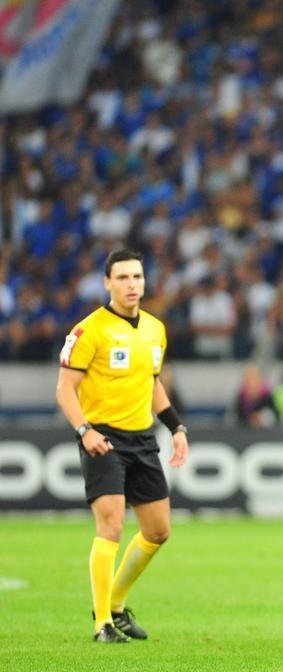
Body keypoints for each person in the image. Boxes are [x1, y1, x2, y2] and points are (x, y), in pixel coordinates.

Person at [54, 248, 190, 643]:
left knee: (158, 531)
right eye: (124, 278)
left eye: (138, 277)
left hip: (142, 437)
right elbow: (65, 390)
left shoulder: (154, 329)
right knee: (111, 525)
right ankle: (102, 624)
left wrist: (176, 427)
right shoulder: (89, 330)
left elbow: (151, 384)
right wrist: (84, 431)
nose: (132, 285)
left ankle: (115, 604)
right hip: (103, 437)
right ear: (107, 283)